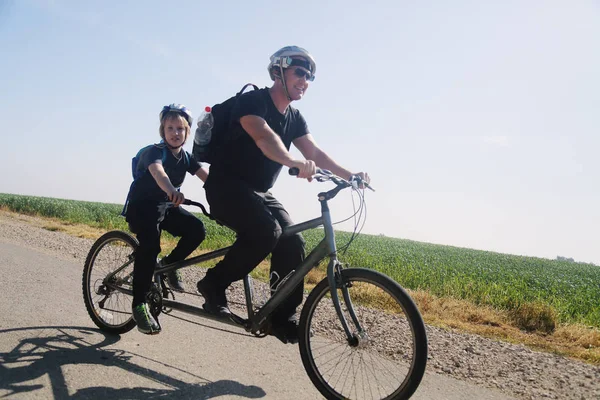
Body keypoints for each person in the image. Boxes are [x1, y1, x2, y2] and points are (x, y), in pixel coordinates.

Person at [196, 46, 370, 344]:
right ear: (279, 71)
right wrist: (292, 162)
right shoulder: (252, 102)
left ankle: (281, 315)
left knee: (292, 240)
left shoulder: (295, 118)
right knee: (266, 232)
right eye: (300, 73)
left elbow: (315, 152)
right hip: (225, 187)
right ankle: (213, 284)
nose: (305, 80)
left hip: (259, 193)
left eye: (310, 77)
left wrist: (350, 175)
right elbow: (264, 137)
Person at [124, 104, 209, 335]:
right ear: (163, 130)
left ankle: (167, 265)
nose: (175, 133)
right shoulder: (155, 152)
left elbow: (207, 178)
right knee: (150, 245)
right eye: (170, 128)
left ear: (187, 132)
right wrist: (173, 189)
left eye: (180, 128)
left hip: (167, 206)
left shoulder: (187, 158)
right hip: (142, 207)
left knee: (197, 230)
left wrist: (227, 195)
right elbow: (158, 173)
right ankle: (139, 304)